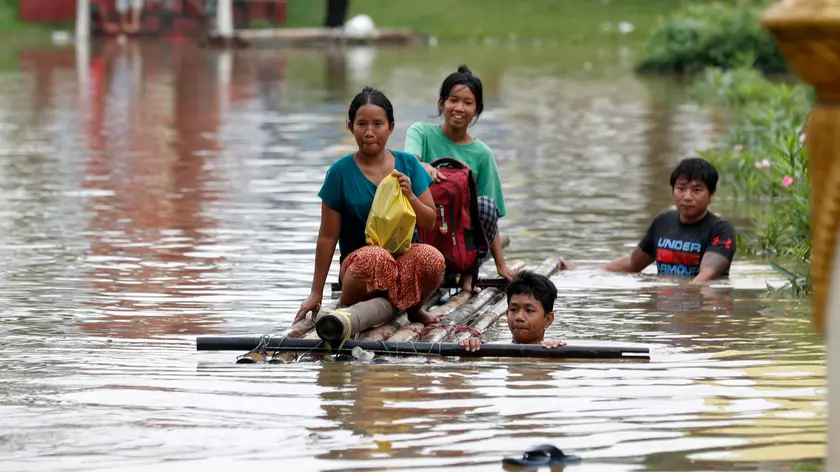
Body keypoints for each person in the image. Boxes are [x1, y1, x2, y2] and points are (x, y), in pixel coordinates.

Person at [295, 87, 446, 326]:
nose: (369, 132)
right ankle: (348, 307)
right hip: (361, 268)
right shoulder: (340, 172)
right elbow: (327, 236)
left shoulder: (408, 165)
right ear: (350, 127)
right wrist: (316, 293)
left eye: (378, 124)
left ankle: (414, 309)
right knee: (377, 258)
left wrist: (410, 197)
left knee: (431, 257)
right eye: (361, 124)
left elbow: (429, 221)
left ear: (391, 127)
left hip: (403, 263)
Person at [404, 65, 517, 292]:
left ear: (477, 110)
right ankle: (425, 271)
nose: (459, 108)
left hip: (460, 243)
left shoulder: (482, 154)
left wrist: (501, 265)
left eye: (468, 103)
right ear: (441, 103)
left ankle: (468, 275)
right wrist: (424, 166)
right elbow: (409, 163)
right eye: (453, 100)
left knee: (484, 205)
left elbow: (489, 217)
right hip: (423, 233)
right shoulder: (421, 133)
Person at [600, 157, 737, 282]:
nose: (687, 197)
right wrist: (591, 271)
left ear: (711, 195)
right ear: (673, 191)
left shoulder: (721, 230)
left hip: (701, 302)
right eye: (681, 189)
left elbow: (706, 276)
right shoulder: (663, 222)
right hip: (664, 302)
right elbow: (632, 264)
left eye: (696, 190)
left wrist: (681, 298)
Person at [459, 271, 566, 351]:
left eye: (529, 310)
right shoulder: (491, 350)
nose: (519, 317)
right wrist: (471, 350)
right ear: (507, 314)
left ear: (548, 319)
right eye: (513, 309)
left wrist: (559, 352)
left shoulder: (556, 351)